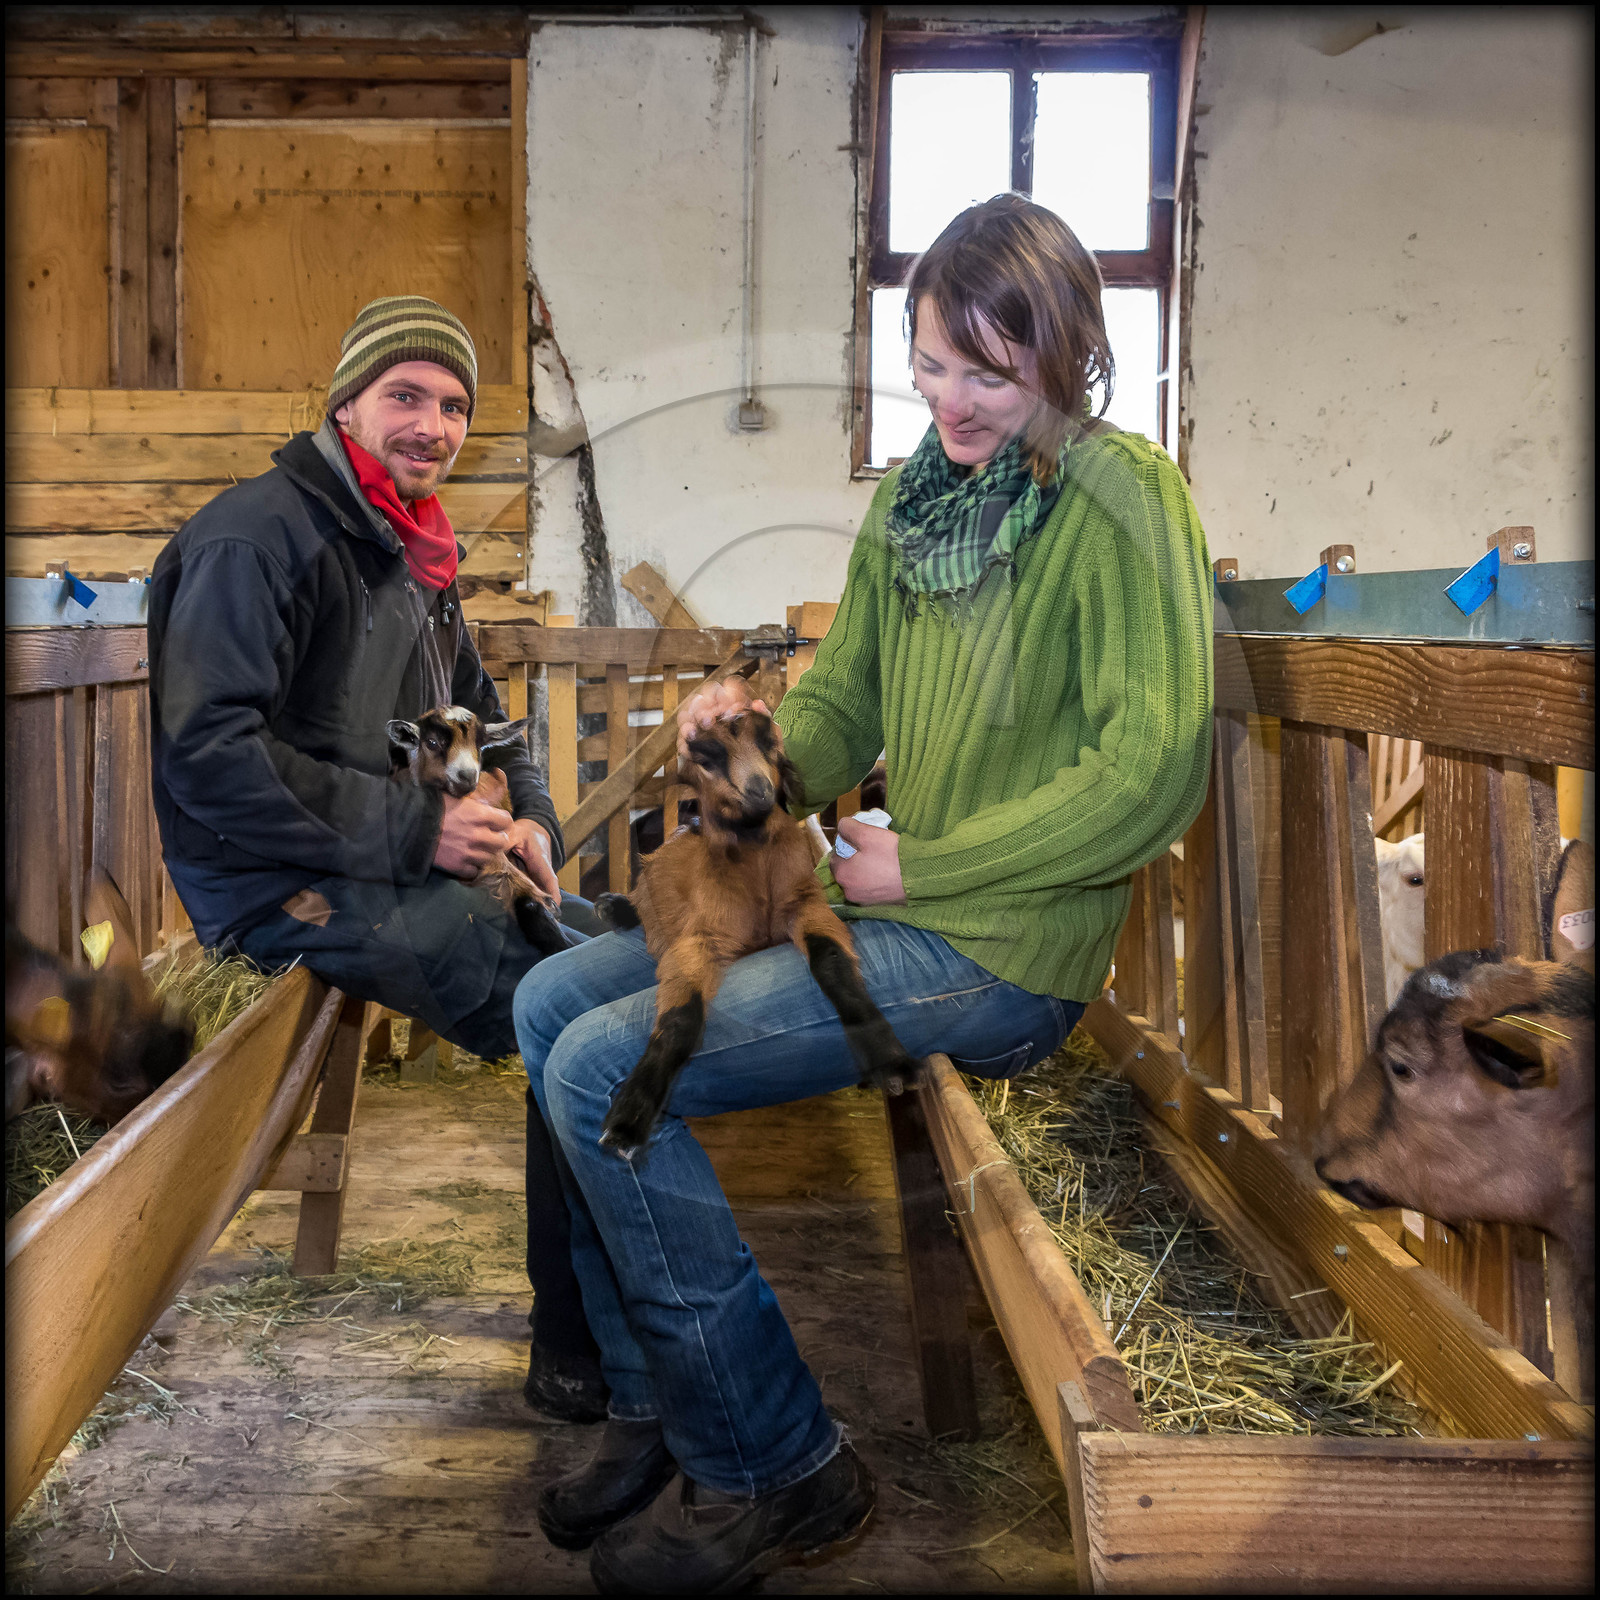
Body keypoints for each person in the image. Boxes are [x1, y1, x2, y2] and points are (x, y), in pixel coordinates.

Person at [513, 194, 1215, 1593]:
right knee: (547, 1002)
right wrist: (748, 740)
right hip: (895, 912)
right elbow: (840, 708)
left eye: (987, 367)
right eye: (931, 363)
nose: (951, 399)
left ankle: (777, 1464)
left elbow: (1152, 771)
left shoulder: (1127, 496)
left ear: (1060, 348)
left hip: (1010, 951)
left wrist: (929, 863)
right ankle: (669, 1398)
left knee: (605, 1076)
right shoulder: (915, 501)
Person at [147, 294, 607, 1422]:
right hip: (273, 884)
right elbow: (209, 757)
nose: (434, 424)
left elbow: (478, 715)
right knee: (575, 1011)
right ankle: (580, 1339)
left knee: (603, 952)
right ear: (346, 401)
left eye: (454, 405)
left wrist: (533, 811)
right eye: (406, 395)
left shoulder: (405, 546)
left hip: (382, 862)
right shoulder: (256, 539)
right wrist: (417, 829)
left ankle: (605, 1306)